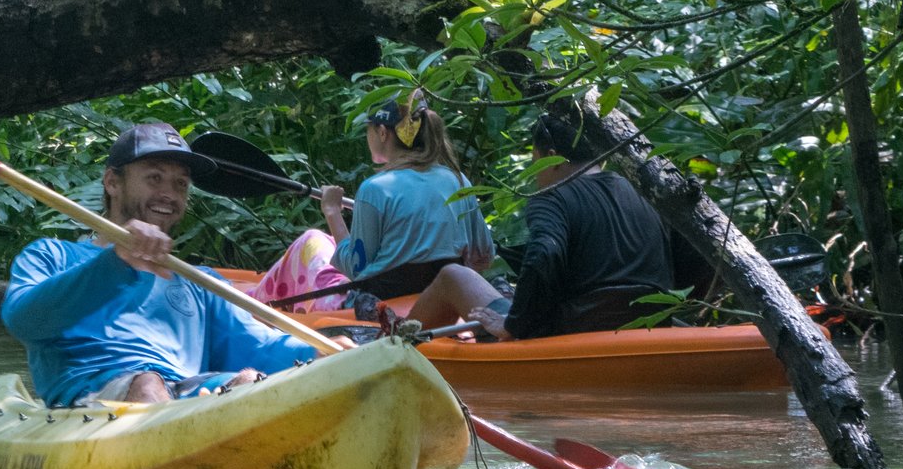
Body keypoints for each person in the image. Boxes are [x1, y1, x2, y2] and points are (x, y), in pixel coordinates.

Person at [1, 122, 323, 406]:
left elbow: (258, 344)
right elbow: (23, 321)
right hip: (96, 396)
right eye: (154, 178)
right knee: (147, 384)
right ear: (113, 182)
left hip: (186, 395)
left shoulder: (201, 282)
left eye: (180, 184)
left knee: (251, 381)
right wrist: (117, 262)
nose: (169, 194)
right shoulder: (52, 255)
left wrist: (317, 354)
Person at [409, 102, 673, 338]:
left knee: (452, 275)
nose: (536, 177)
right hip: (649, 325)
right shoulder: (644, 193)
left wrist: (513, 325)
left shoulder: (553, 197)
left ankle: (388, 351)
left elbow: (544, 254)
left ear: (551, 156)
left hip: (572, 330)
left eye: (535, 162)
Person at [277, 93, 494, 309]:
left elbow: (356, 269)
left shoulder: (375, 188)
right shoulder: (458, 179)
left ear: (382, 132)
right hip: (443, 300)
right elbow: (484, 255)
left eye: (368, 130)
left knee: (311, 239)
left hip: (381, 303)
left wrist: (332, 211)